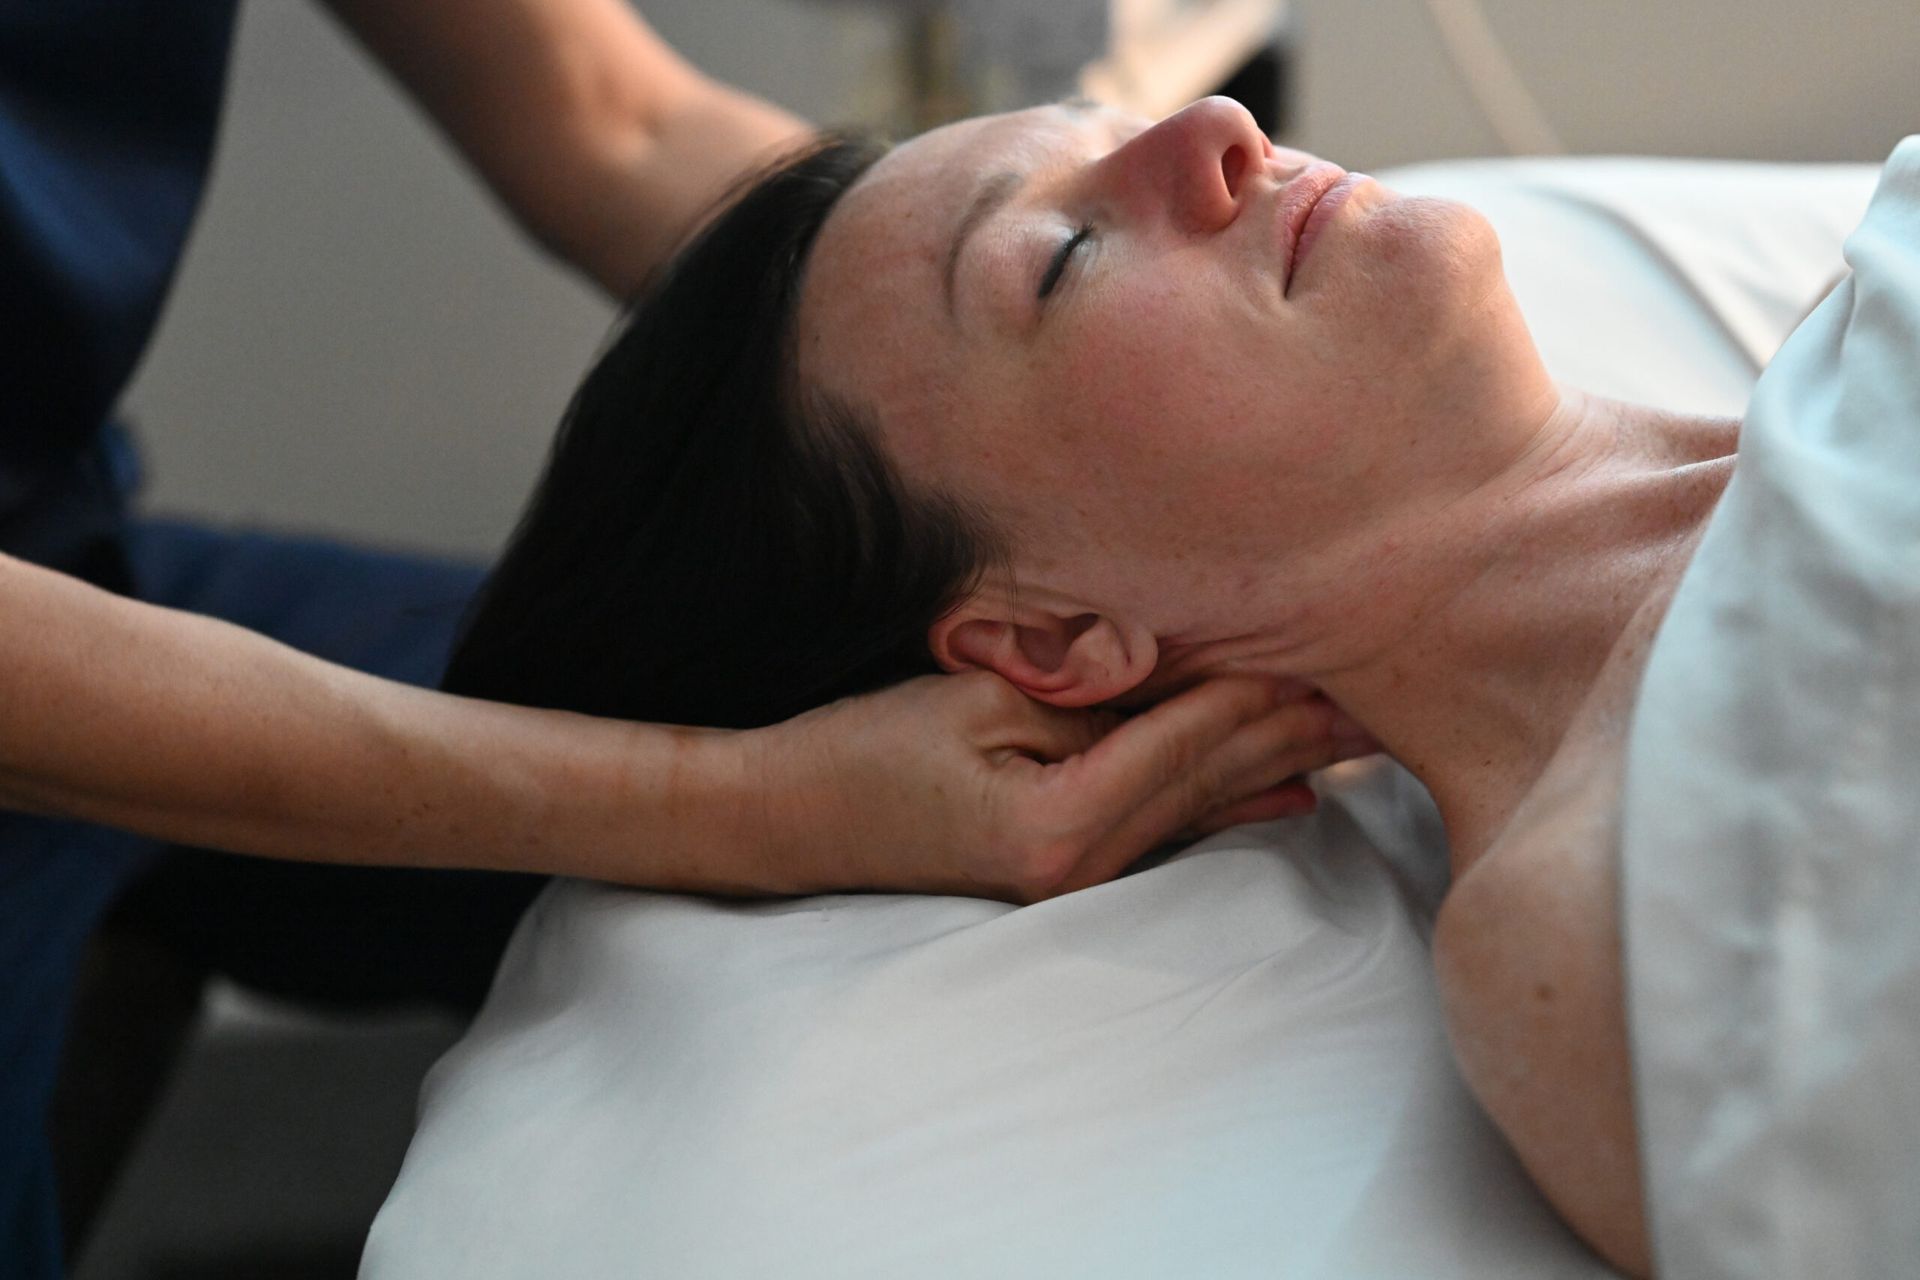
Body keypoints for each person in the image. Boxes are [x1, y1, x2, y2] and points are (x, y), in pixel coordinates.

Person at [445, 95, 1912, 1276]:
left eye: (1109, 124)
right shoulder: (1610, 905)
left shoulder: (1865, 291)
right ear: (1055, 643)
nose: (1214, 127)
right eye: (1065, 255)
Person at [0, 7, 1347, 1274]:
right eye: (1062, 250)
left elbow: (620, 126)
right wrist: (750, 807)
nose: (1226, 129)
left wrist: (972, 236)